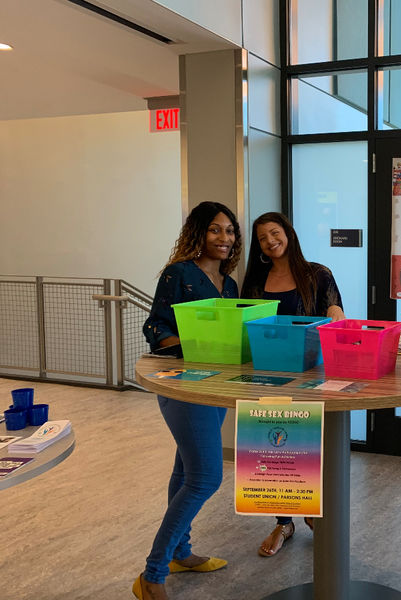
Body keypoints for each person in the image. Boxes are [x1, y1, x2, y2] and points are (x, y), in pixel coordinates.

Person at [135, 202, 242, 600]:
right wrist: (194, 346)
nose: (224, 239)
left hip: (215, 385)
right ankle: (152, 574)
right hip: (183, 384)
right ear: (197, 232)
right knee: (206, 478)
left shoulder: (228, 284)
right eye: (215, 230)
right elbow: (156, 326)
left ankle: (180, 552)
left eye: (230, 231)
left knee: (185, 473)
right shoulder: (178, 273)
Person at [241, 212, 345, 557]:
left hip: (311, 375)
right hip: (269, 375)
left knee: (310, 444)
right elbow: (247, 321)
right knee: (273, 448)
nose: (270, 241)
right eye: (262, 238)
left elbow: (336, 311)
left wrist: (334, 315)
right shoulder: (256, 280)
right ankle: (284, 521)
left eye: (275, 233)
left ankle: (312, 511)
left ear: (288, 233)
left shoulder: (317, 273)